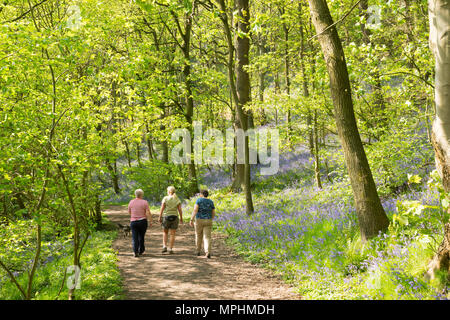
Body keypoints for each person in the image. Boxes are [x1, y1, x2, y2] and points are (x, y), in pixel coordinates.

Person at [189, 189, 215, 259]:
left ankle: (198, 250)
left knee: (198, 235)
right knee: (207, 237)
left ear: (201, 194)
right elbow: (213, 212)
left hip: (199, 220)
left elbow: (195, 210)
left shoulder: (199, 200)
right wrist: (211, 219)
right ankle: (207, 252)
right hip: (208, 220)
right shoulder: (211, 202)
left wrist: (191, 219)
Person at [158, 186, 183, 254]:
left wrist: (160, 217)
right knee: (172, 234)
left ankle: (164, 246)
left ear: (168, 191)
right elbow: (180, 209)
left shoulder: (165, 198)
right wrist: (181, 218)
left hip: (166, 217)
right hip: (175, 217)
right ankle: (170, 249)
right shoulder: (177, 198)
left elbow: (162, 208)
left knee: (165, 232)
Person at [128, 189, 152, 258]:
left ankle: (135, 251)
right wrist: (150, 220)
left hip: (133, 222)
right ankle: (141, 250)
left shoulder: (131, 202)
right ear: (142, 195)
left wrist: (133, 216)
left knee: (134, 237)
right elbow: (147, 212)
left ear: (135, 195)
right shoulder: (145, 202)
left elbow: (129, 212)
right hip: (142, 221)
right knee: (141, 236)